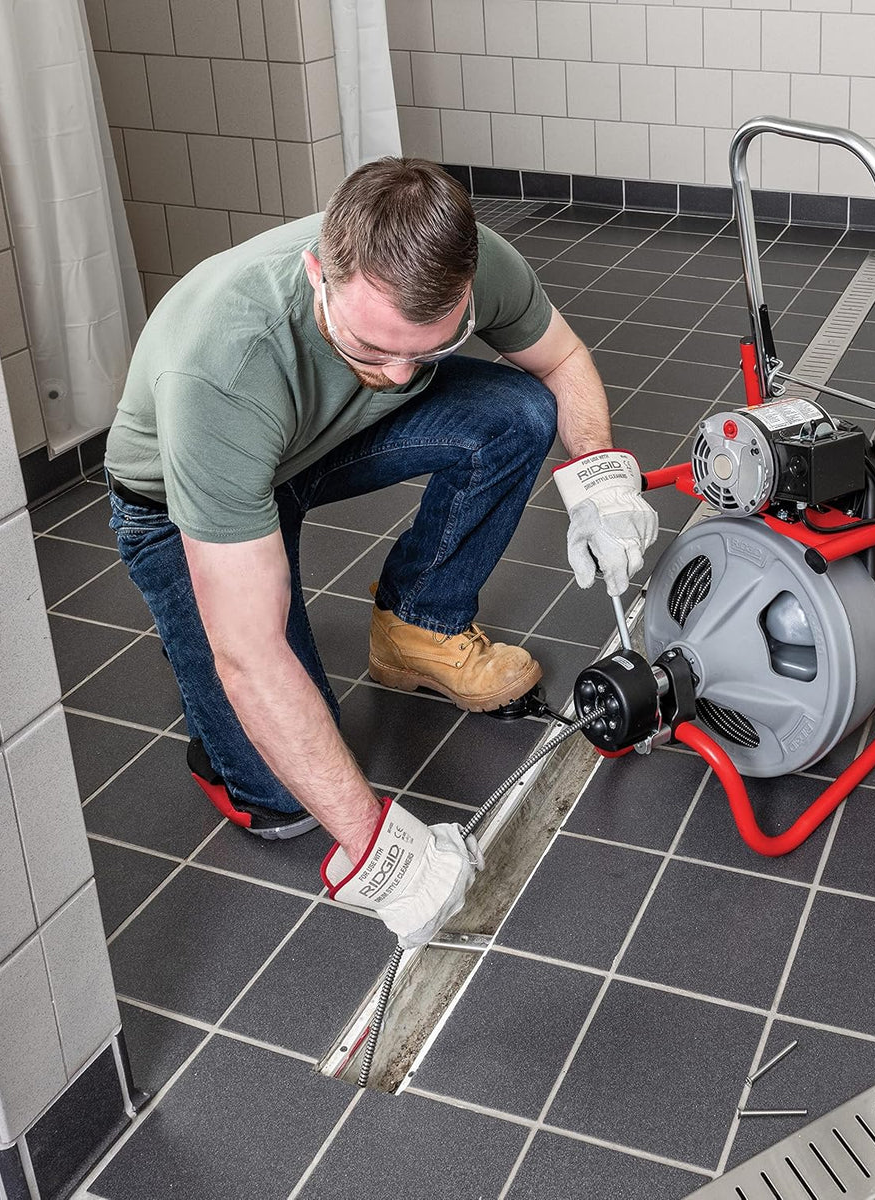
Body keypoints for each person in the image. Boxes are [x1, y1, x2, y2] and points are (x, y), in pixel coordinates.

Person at [103, 158, 658, 947]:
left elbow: (562, 361)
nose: (399, 376)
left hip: (312, 442)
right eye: (371, 346)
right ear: (316, 275)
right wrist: (379, 851)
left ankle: (417, 626)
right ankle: (207, 692)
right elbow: (253, 656)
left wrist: (599, 478)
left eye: (430, 349)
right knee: (283, 803)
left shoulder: (471, 266)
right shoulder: (224, 366)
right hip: (183, 500)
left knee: (517, 411)